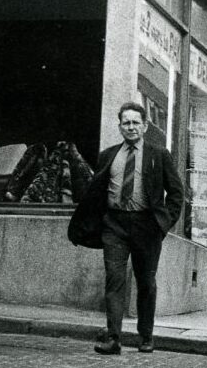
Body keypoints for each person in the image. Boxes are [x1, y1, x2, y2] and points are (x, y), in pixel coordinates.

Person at [69, 101, 185, 355]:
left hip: (147, 226)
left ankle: (146, 335)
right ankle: (113, 338)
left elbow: (177, 194)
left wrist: (162, 224)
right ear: (119, 126)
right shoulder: (108, 156)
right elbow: (97, 192)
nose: (130, 127)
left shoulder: (158, 155)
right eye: (126, 123)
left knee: (146, 282)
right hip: (115, 225)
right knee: (115, 279)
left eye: (135, 122)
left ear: (144, 126)